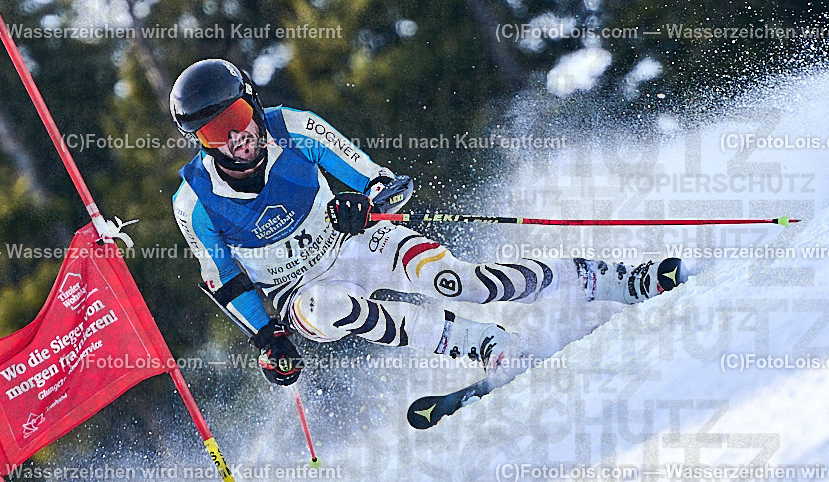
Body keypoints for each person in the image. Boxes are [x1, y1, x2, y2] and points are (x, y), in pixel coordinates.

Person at [170, 59, 684, 389]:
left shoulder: (297, 129)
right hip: (296, 294)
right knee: (329, 305)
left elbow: (383, 184)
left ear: (253, 103)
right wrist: (267, 339)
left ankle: (617, 279)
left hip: (357, 243)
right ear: (201, 140)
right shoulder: (194, 201)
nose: (235, 137)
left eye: (237, 116)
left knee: (464, 284)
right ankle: (486, 346)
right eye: (215, 131)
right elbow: (223, 278)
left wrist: (367, 203)